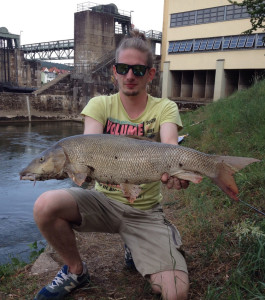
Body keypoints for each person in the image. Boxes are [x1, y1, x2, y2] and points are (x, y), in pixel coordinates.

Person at [33, 30, 189, 300]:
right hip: (102, 202)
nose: (130, 76)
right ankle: (75, 270)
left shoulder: (165, 107)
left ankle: (138, 244)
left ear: (150, 74)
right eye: (123, 68)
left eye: (138, 70)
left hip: (145, 210)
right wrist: (65, 168)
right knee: (45, 205)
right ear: (114, 72)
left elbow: (170, 145)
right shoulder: (99, 105)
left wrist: (180, 170)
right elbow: (89, 146)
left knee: (174, 293)